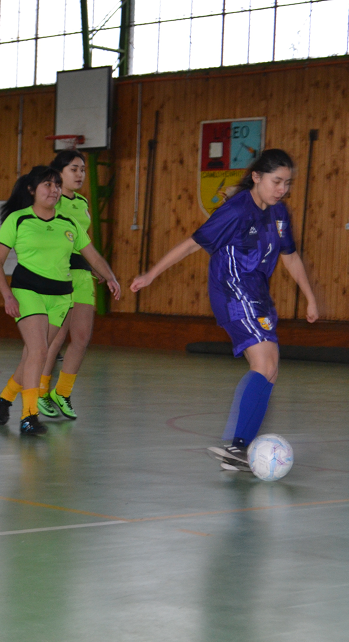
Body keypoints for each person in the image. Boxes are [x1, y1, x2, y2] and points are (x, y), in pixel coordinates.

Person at [130, 149, 319, 471]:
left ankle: (238, 452)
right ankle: (238, 445)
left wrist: (310, 297)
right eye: (276, 182)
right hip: (232, 290)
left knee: (270, 369)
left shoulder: (279, 212)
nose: (282, 189)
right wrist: (151, 274)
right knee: (265, 362)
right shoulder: (236, 210)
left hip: (258, 294)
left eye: (287, 183)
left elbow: (290, 256)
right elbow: (192, 243)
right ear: (257, 177)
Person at [0, 165, 121, 436]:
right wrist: (7, 295)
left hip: (61, 297)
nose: (54, 190)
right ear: (32, 190)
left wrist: (110, 276)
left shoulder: (69, 223)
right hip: (28, 292)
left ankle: (5, 397)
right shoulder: (18, 219)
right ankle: (29, 417)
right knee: (38, 351)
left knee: (32, 356)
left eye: (56, 185)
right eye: (47, 185)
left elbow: (92, 256)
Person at [34, 150, 97, 421]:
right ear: (59, 173)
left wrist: (96, 267)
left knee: (81, 337)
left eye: (82, 169)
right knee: (56, 338)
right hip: (59, 275)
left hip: (82, 275)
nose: (80, 174)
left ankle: (63, 392)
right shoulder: (51, 201)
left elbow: (83, 242)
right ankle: (40, 391)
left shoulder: (82, 202)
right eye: (74, 169)